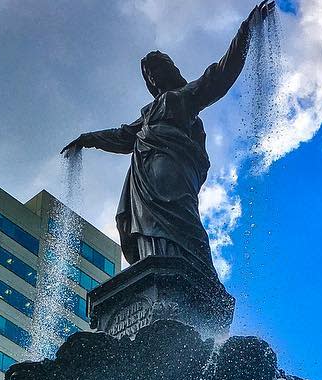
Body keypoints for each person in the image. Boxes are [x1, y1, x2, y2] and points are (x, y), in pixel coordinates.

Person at [61, 1, 275, 276]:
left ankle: (197, 272)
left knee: (179, 213)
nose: (153, 75)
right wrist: (86, 138)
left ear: (170, 70)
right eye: (149, 74)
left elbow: (221, 73)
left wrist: (247, 30)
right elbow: (123, 136)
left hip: (171, 163)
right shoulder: (148, 112)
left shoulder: (185, 96)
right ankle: (154, 265)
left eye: (158, 69)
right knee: (138, 222)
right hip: (143, 172)